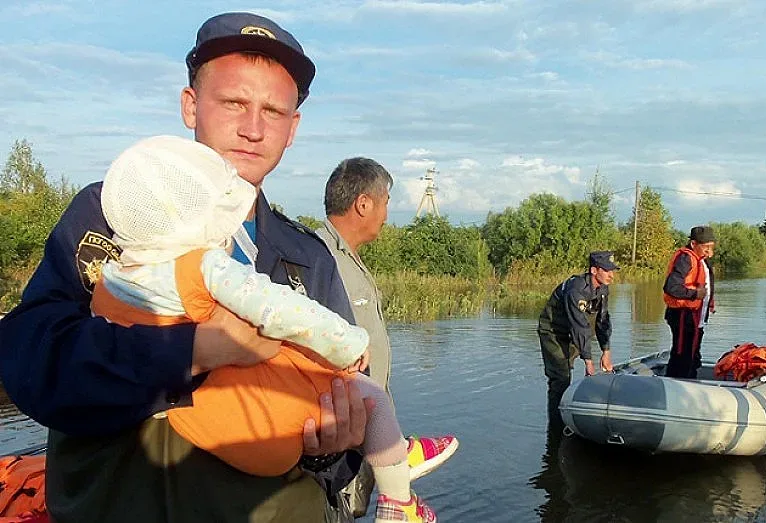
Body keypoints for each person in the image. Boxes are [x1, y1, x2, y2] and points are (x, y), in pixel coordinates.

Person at [0, 12, 370, 522]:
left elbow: (347, 449)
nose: (253, 128)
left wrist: (334, 447)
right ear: (190, 105)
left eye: (273, 111)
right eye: (234, 102)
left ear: (293, 129)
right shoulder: (107, 216)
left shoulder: (309, 257)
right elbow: (31, 361)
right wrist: (193, 351)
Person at [92, 136, 454, 521]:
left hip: (204, 426)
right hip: (268, 443)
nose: (252, 130)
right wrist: (349, 342)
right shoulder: (203, 265)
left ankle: (391, 452)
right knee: (368, 394)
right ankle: (399, 496)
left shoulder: (110, 280)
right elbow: (281, 308)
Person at [315, 157, 397, 517]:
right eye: (386, 202)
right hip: (339, 438)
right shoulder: (319, 259)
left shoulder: (346, 257)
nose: (386, 214)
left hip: (364, 431)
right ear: (363, 203)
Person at [538, 251, 619, 419]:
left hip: (573, 332)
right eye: (607, 270)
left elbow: (602, 321)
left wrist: (606, 351)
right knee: (561, 377)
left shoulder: (603, 289)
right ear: (594, 271)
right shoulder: (576, 290)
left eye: (613, 271)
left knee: (569, 368)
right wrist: (588, 362)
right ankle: (556, 422)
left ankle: (573, 412)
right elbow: (579, 325)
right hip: (554, 332)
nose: (612, 275)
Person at [663, 226, 716, 379]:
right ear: (693, 244)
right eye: (705, 247)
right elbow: (671, 287)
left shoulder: (703, 261)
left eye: (711, 247)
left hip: (697, 317)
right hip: (683, 315)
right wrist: (695, 294)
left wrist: (708, 302)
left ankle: (689, 380)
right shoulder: (685, 259)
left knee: (693, 354)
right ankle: (677, 384)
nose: (709, 251)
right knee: (683, 355)